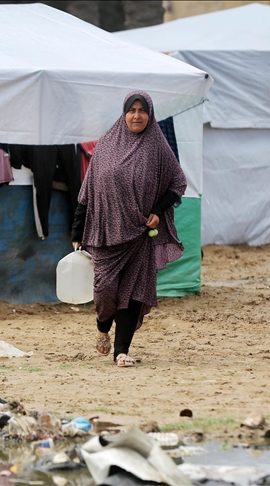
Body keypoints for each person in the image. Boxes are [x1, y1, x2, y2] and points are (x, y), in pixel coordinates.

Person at [71, 91, 186, 367]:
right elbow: (88, 192)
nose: (137, 115)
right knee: (106, 290)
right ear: (124, 113)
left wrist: (158, 211)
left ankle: (121, 350)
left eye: (142, 110)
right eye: (132, 110)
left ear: (150, 114)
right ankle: (102, 326)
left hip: (140, 234)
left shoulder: (158, 146)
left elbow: (177, 183)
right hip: (105, 232)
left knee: (133, 293)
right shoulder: (107, 144)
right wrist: (77, 232)